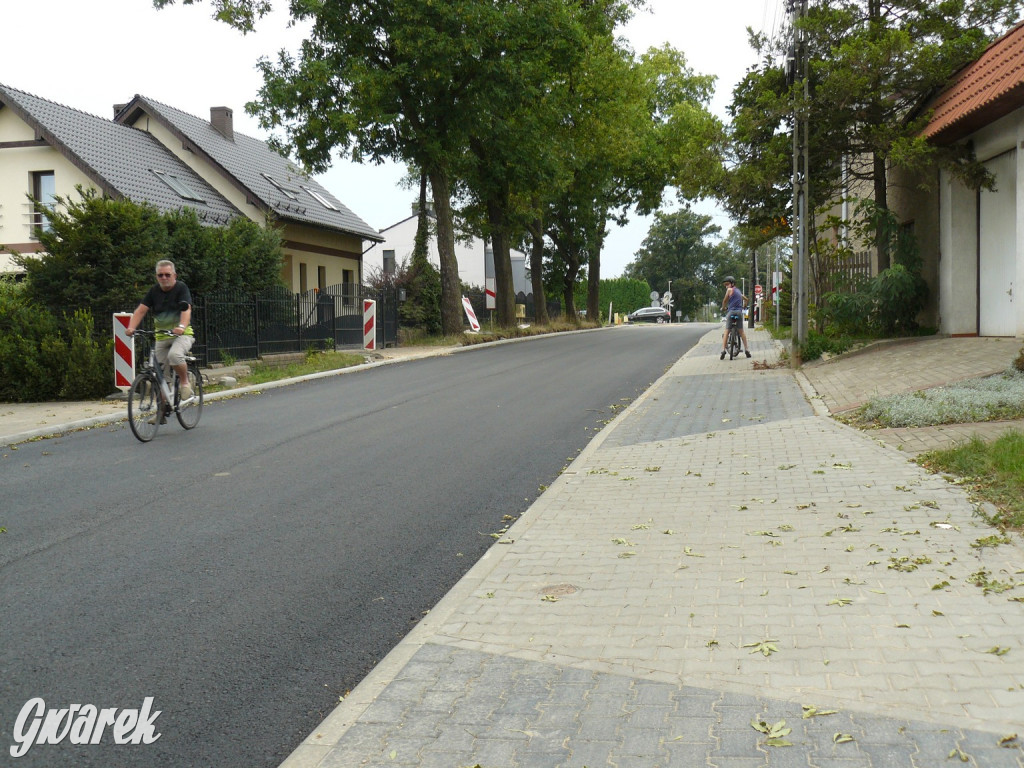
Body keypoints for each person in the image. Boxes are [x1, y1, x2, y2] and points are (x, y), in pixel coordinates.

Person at [126, 259, 195, 405]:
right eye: (160, 275)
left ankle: (184, 383)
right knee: (158, 374)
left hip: (182, 335)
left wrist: (181, 327)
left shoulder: (181, 288)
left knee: (175, 356)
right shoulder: (154, 291)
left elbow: (186, 309)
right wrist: (131, 327)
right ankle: (161, 410)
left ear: (174, 276)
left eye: (167, 275)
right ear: (157, 276)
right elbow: (141, 311)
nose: (164, 278)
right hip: (162, 336)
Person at [720, 276, 751, 359]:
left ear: (732, 284)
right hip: (739, 313)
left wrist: (723, 308)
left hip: (731, 312)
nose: (726, 286)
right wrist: (744, 306)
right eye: (725, 285)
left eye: (727, 284)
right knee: (741, 332)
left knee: (727, 331)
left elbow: (725, 300)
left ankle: (723, 350)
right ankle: (747, 350)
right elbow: (746, 299)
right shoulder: (738, 291)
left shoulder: (729, 290)